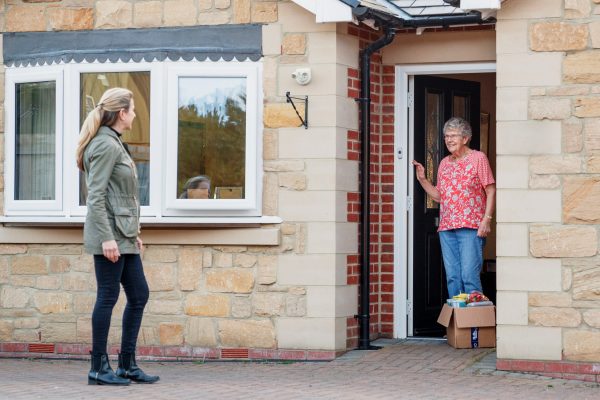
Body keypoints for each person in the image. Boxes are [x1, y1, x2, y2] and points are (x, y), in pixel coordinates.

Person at [76, 88, 159, 385]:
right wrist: (107, 238)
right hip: (109, 236)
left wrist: (132, 234)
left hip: (123, 235)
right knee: (108, 297)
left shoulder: (114, 143)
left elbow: (122, 196)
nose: (135, 114)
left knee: (139, 295)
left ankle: (127, 364)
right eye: (133, 110)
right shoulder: (105, 145)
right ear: (122, 113)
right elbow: (95, 197)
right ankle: (98, 368)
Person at [412, 117, 496, 298]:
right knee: (453, 278)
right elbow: (439, 196)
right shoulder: (444, 163)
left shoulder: (478, 158)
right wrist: (422, 179)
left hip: (470, 227)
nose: (449, 140)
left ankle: (474, 325)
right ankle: (458, 325)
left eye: (453, 136)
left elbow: (490, 190)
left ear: (465, 138)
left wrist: (486, 220)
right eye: (446, 136)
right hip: (447, 228)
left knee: (469, 277)